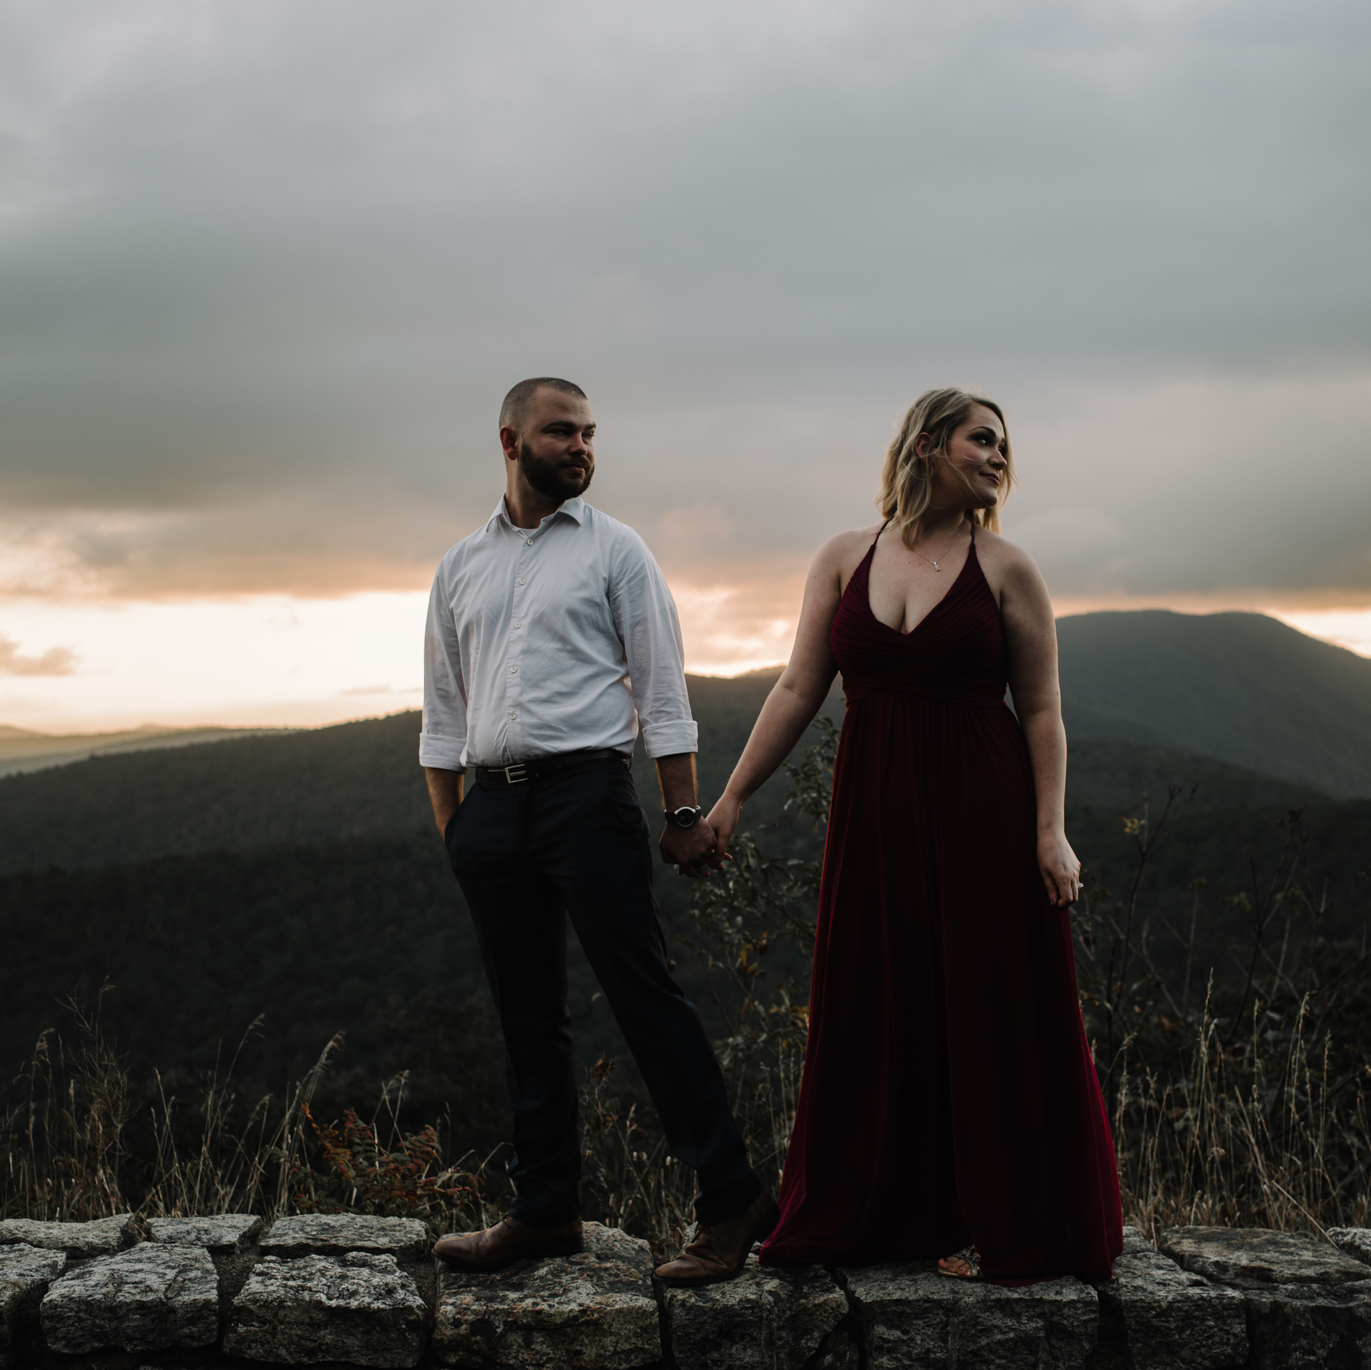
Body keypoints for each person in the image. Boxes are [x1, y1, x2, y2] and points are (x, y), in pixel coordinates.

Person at [706, 386, 1124, 1284]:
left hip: (983, 810)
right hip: (873, 818)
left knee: (985, 1008)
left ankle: (1004, 1220)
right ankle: (886, 1214)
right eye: (982, 439)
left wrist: (1050, 834)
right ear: (929, 444)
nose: (999, 457)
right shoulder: (841, 557)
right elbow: (795, 689)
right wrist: (731, 800)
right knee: (877, 1001)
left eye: (1004, 446)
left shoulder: (1008, 566)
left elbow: (1043, 711)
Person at [422, 377, 776, 1283]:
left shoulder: (616, 551)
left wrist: (682, 813)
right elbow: (442, 710)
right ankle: (543, 1212)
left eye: (588, 433)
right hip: (490, 810)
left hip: (588, 796)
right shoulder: (460, 563)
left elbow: (661, 691)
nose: (580, 447)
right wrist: (455, 831)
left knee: (644, 999)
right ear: (510, 441)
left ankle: (730, 1202)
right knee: (525, 1018)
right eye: (560, 432)